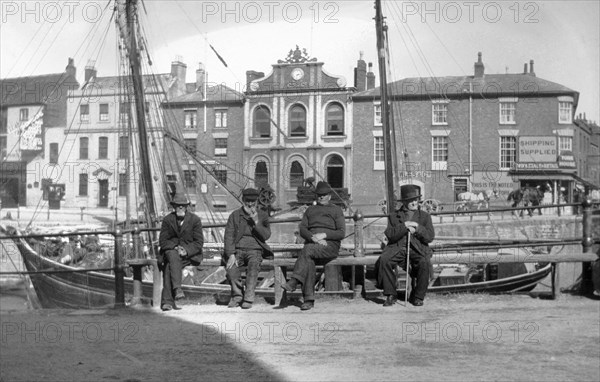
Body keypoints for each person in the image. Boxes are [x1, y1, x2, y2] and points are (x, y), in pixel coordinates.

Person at [281, 181, 345, 310]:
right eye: (319, 195)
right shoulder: (310, 210)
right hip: (313, 245)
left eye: (324, 195)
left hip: (329, 245)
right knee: (308, 259)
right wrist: (313, 238)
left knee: (307, 250)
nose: (321, 197)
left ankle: (294, 281)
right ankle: (309, 300)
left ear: (329, 196)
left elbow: (341, 233)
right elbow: (303, 228)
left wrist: (324, 235)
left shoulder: (336, 210)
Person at [376, 184, 435, 307]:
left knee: (424, 262)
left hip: (417, 248)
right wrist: (404, 226)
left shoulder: (425, 216)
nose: (414, 202)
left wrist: (417, 229)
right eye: (410, 200)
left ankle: (418, 296)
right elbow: (390, 234)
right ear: (404, 202)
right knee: (384, 260)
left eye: (415, 200)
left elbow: (430, 237)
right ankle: (391, 294)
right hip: (397, 248)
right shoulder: (394, 216)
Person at [224, 188, 272, 309]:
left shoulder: (263, 215)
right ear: (243, 200)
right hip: (237, 251)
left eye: (252, 201)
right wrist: (231, 254)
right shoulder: (235, 215)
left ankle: (248, 298)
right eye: (247, 201)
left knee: (253, 267)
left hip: (255, 250)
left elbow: (266, 235)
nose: (250, 204)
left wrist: (255, 221)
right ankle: (237, 296)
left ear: (257, 201)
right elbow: (229, 236)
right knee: (231, 269)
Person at [158, 193, 204, 311]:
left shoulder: (195, 220)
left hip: (188, 256)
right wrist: (176, 247)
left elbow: (199, 243)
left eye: (183, 206)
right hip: (171, 251)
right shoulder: (168, 220)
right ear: (173, 206)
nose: (180, 208)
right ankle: (177, 289)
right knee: (172, 256)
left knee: (169, 267)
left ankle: (167, 302)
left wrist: (186, 251)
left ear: (186, 207)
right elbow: (163, 241)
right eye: (178, 206)